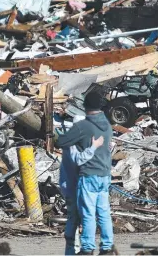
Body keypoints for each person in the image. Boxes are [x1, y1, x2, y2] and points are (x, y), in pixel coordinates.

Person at [56, 91, 114, 256]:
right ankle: (107, 248)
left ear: (85, 106)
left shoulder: (83, 126)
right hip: (105, 175)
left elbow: (61, 141)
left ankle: (87, 248)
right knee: (103, 212)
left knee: (88, 213)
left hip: (89, 175)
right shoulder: (108, 125)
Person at [59, 117, 105, 256]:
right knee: (80, 218)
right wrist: (94, 147)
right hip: (73, 188)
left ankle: (72, 251)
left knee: (75, 218)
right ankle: (78, 251)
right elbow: (79, 160)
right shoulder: (73, 145)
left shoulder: (71, 142)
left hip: (70, 186)